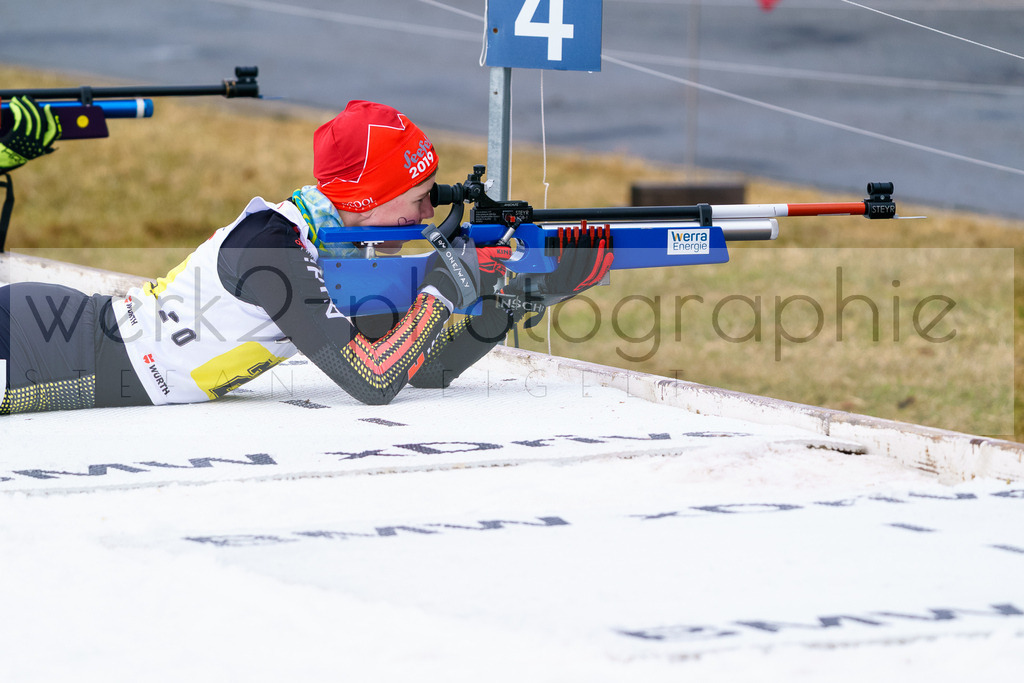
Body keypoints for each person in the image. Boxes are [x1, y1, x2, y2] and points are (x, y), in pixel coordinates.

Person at [1, 100, 612, 413]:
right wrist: (444, 288)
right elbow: (371, 383)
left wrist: (510, 300)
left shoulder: (339, 258)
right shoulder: (271, 246)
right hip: (41, 351)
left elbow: (418, 370)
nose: (428, 216)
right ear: (366, 198)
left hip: (58, 348)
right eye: (418, 199)